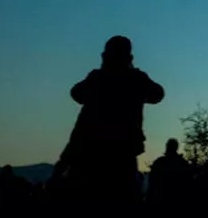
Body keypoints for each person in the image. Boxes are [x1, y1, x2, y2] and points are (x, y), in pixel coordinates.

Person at [58, 36, 166, 206]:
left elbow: (76, 94)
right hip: (122, 155)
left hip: (90, 155)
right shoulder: (137, 79)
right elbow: (158, 94)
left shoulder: (97, 78)